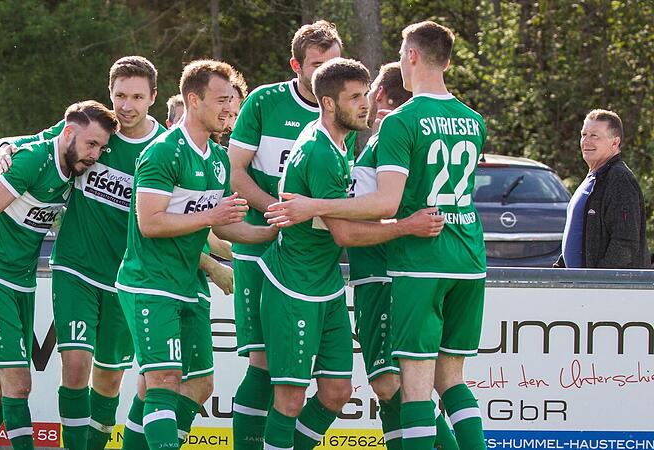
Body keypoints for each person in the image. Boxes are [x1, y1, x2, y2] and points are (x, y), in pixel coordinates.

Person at [267, 21, 489, 450]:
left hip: (411, 265)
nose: (366, 105)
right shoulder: (473, 120)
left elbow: (384, 204)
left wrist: (314, 206)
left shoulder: (398, 126)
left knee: (410, 385)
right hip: (465, 256)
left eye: (367, 95)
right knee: (434, 381)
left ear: (411, 57)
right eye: (358, 97)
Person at [0, 57, 168, 450]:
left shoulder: (163, 148)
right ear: (110, 93)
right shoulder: (92, 128)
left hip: (127, 279)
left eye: (137, 97)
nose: (127, 106)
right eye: (120, 95)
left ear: (153, 98)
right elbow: (31, 143)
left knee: (109, 381)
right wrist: (6, 147)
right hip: (75, 268)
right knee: (75, 368)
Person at [115, 59, 277, 450]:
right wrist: (212, 215)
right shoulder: (163, 153)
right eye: (222, 101)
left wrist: (273, 232)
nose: (229, 111)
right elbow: (150, 222)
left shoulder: (218, 160)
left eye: (233, 104)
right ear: (193, 99)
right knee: (165, 381)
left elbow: (223, 227)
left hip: (188, 284)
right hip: (150, 284)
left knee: (200, 385)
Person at [0, 101, 117, 450]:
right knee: (18, 384)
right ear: (68, 133)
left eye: (102, 147)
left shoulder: (74, 161)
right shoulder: (33, 160)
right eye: (91, 144)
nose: (96, 154)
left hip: (22, 284)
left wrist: (6, 144)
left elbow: (14, 139)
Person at [226, 21, 356, 449]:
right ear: (296, 64)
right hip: (261, 245)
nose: (326, 71)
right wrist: (278, 213)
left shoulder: (341, 115)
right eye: (318, 64)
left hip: (306, 255)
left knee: (305, 383)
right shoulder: (265, 101)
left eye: (333, 62)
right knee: (263, 366)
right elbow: (235, 172)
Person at [555, 109, 650, 269]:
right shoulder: (593, 177)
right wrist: (560, 270)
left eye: (594, 136)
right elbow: (580, 237)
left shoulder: (619, 179)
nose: (586, 141)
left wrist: (598, 281)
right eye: (584, 135)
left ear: (615, 142)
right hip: (579, 285)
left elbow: (625, 242)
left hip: (605, 289)